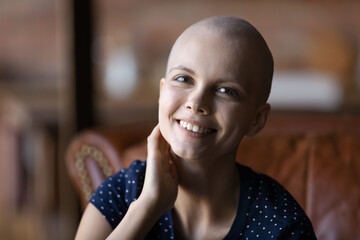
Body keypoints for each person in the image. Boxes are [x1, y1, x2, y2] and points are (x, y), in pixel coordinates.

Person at [75, 16, 317, 239]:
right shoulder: (120, 195)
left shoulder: (283, 226)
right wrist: (147, 208)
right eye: (183, 79)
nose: (197, 103)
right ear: (162, 92)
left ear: (256, 120)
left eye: (226, 91)